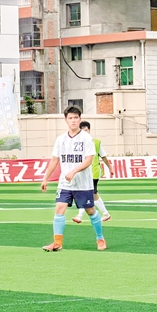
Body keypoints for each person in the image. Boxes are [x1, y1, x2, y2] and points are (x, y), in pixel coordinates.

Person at [40, 106, 106, 252]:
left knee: (90, 211)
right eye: (70, 118)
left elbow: (89, 160)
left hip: (83, 183)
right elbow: (54, 160)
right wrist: (45, 179)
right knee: (59, 208)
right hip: (65, 183)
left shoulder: (86, 138)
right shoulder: (61, 139)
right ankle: (57, 243)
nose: (73, 120)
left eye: (76, 118)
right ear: (66, 120)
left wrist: (74, 171)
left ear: (80, 119)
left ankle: (100, 238)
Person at [71, 121, 112, 224]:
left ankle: (80, 215)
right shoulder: (77, 143)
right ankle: (106, 214)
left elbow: (104, 157)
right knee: (93, 194)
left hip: (93, 172)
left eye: (86, 130)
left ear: (89, 130)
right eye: (83, 130)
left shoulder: (96, 142)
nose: (85, 132)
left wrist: (110, 168)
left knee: (84, 192)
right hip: (83, 172)